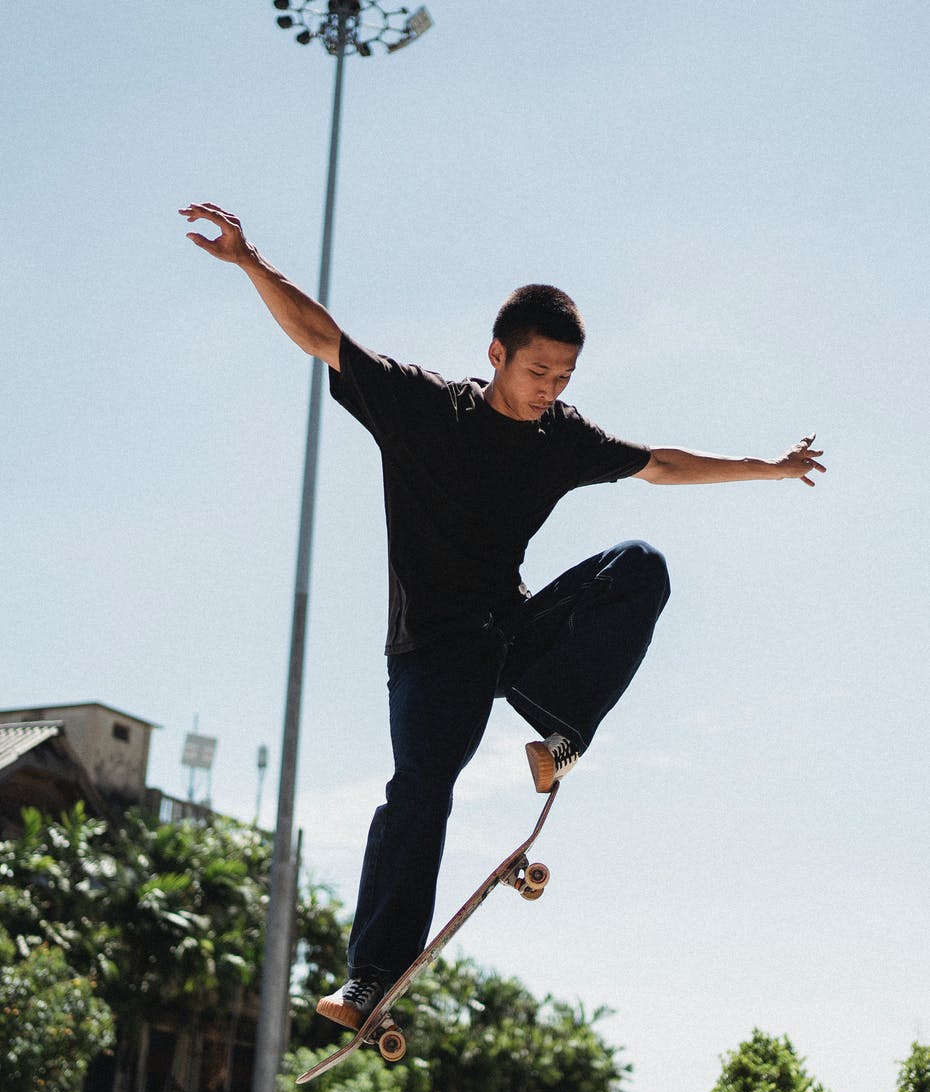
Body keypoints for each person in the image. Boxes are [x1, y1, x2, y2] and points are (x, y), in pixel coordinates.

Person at [180, 202, 826, 1030]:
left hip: (508, 632)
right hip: (429, 654)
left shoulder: (562, 436)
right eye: (536, 375)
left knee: (640, 568)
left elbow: (659, 464)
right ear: (497, 355)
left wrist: (767, 470)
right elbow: (319, 336)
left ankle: (558, 741)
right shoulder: (423, 408)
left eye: (563, 380)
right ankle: (370, 979)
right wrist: (249, 261)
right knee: (420, 791)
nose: (548, 393)